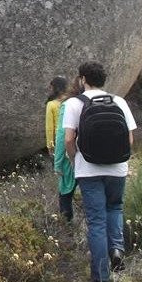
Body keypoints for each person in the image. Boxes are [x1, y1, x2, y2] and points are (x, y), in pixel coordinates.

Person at [63, 62, 137, 282]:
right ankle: (116, 248)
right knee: (115, 207)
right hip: (117, 168)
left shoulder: (74, 104)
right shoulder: (119, 101)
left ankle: (101, 278)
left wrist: (75, 159)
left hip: (89, 170)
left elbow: (68, 139)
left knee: (96, 222)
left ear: (82, 79)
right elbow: (130, 138)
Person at [53, 75, 81, 222]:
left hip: (73, 158)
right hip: (100, 160)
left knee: (65, 196)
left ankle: (66, 232)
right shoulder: (112, 101)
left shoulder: (69, 104)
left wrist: (58, 162)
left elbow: (63, 136)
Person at [45, 76, 69, 156]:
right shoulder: (71, 101)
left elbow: (49, 128)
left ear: (54, 88)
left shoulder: (51, 104)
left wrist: (50, 145)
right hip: (72, 136)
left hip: (60, 139)